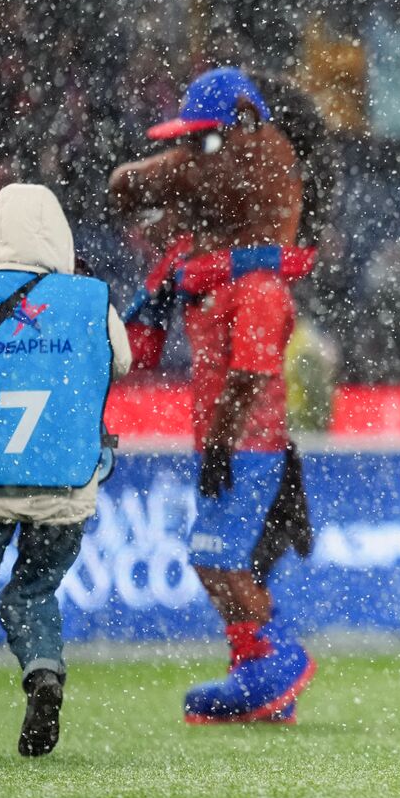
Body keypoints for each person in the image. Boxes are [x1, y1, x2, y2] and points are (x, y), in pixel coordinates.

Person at [109, 68, 319, 724]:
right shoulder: (206, 272)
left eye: (205, 146)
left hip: (248, 443)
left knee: (215, 556)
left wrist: (224, 438)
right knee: (228, 561)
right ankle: (260, 678)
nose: (191, 165)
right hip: (226, 438)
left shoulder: (259, 286)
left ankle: (275, 662)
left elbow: (251, 374)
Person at [0, 183, 131, 759]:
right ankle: (44, 671)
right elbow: (122, 360)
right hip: (66, 481)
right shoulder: (94, 299)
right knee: (32, 591)